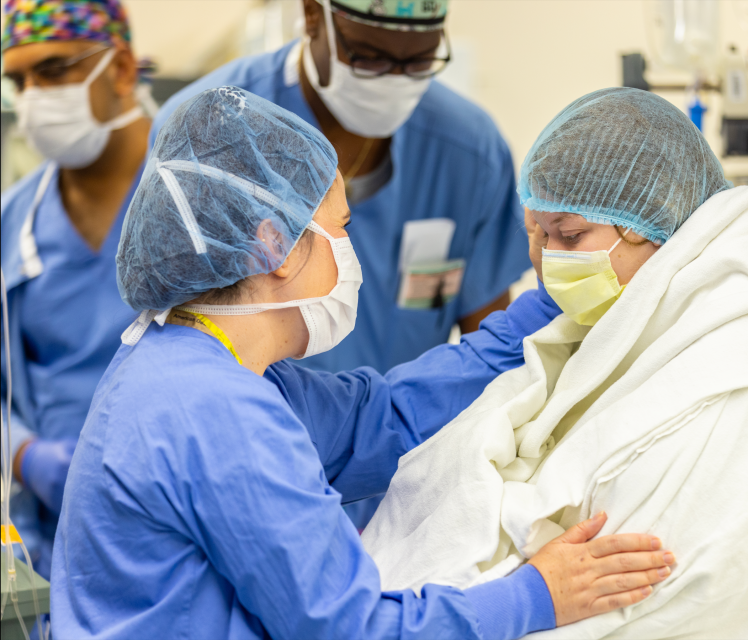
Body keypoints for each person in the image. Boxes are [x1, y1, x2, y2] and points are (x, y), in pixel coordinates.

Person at [51, 87, 676, 640]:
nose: (350, 255)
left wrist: (556, 299)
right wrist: (538, 594)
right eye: (340, 227)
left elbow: (386, 416)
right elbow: (349, 628)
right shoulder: (219, 415)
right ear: (274, 245)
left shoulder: (194, 363)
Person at [361, 88, 748, 638]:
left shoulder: (747, 359)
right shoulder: (607, 326)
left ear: (654, 224)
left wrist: (523, 590)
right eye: (534, 234)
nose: (543, 261)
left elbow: (662, 582)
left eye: (568, 234)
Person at [152, 0, 528, 376]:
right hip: (255, 417)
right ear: (314, 15)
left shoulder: (469, 150)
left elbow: (488, 346)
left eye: (419, 62)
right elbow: (179, 327)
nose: (393, 81)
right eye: (369, 57)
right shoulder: (208, 133)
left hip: (407, 428)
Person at [0, 0, 149, 578]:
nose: (33, 96)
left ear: (122, 69)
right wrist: (23, 453)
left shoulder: (205, 197)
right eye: (18, 79)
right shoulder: (12, 226)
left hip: (195, 512)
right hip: (59, 542)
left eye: (55, 69)